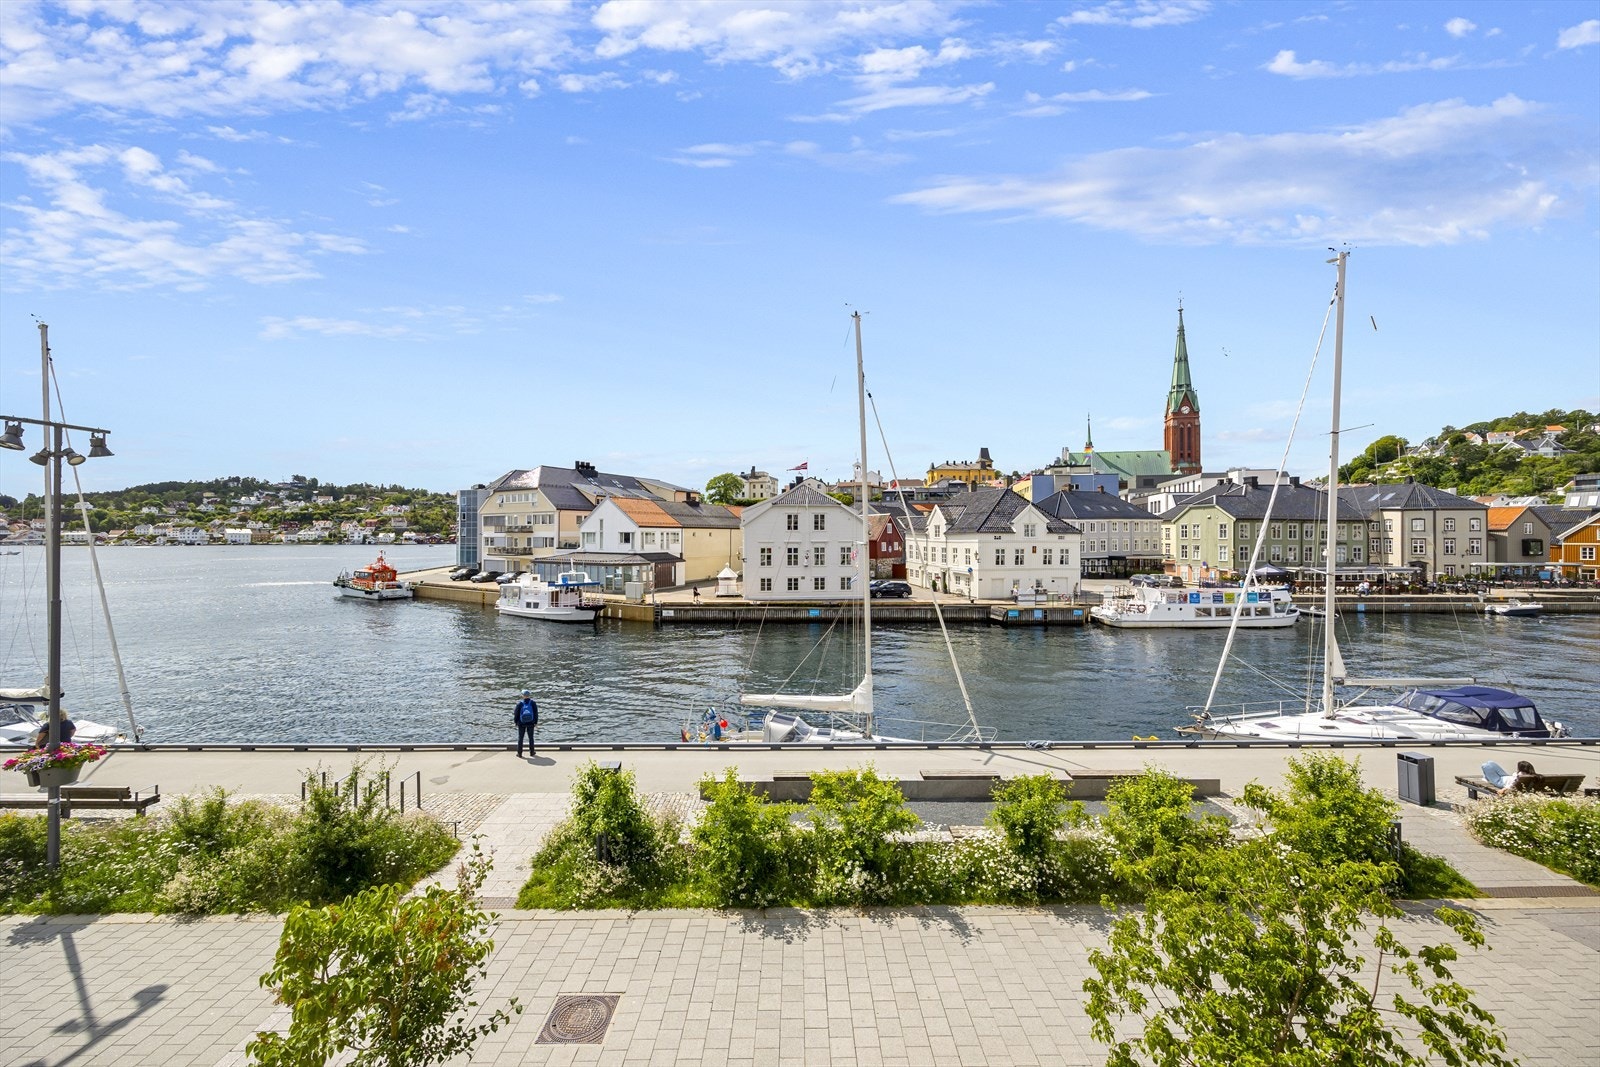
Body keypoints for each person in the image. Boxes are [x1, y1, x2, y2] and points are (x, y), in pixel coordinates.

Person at [513, 689, 539, 757]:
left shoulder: (520, 704)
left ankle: (519, 753)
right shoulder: (533, 703)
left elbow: (516, 714)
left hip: (521, 723)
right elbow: (536, 713)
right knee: (531, 738)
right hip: (531, 723)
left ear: (522, 696)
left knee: (520, 738)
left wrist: (515, 722)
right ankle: (532, 752)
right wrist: (535, 722)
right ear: (529, 695)